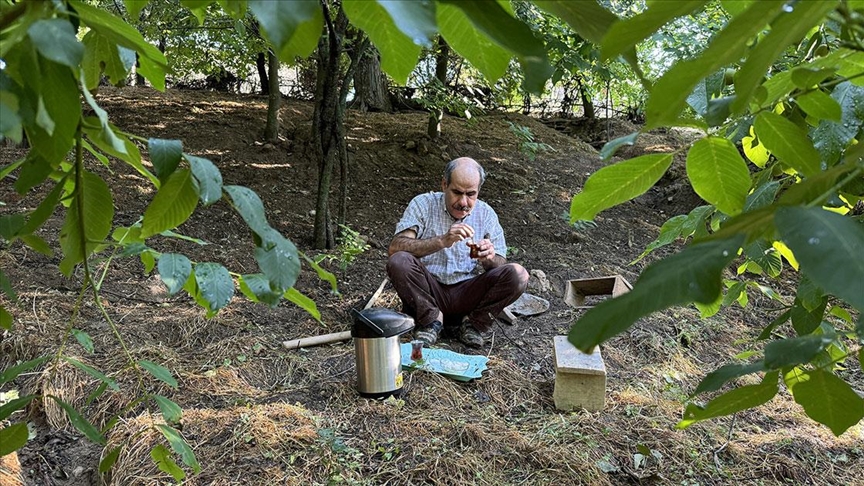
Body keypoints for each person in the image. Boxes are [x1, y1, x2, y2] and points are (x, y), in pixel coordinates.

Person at [386, 157, 529, 348]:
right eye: (457, 192)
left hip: (466, 293)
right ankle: (430, 320)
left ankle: (473, 324)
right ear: (444, 184)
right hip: (428, 290)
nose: (463, 202)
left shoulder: (486, 213)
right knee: (399, 261)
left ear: (479, 191)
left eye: (471, 194)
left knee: (517, 275)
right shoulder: (423, 204)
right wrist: (441, 241)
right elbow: (396, 247)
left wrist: (488, 258)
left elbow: (501, 265)